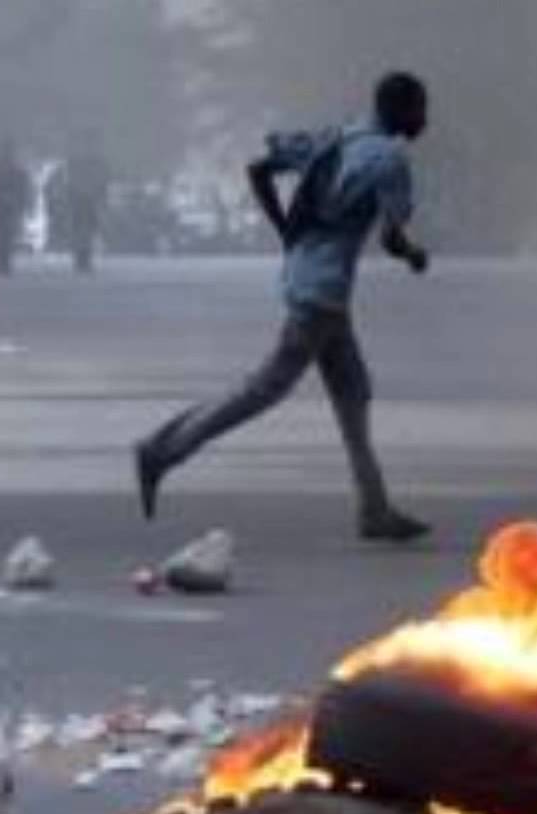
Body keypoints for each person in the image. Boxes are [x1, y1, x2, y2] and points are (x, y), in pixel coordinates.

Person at [134, 72, 434, 542]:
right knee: (265, 388)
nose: (424, 121)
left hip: (311, 282)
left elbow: (258, 170)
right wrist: (415, 255)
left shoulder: (337, 137)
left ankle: (374, 509)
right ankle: (161, 450)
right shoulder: (389, 159)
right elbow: (392, 237)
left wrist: (286, 234)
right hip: (323, 292)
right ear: (401, 109)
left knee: (353, 392)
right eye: (420, 110)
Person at [64, 134, 110, 273]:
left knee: (88, 232)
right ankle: (80, 259)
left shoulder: (96, 163)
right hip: (80, 199)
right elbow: (69, 182)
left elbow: (102, 182)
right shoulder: (76, 162)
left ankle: (85, 259)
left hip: (89, 200)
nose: (89, 146)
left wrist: (101, 197)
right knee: (81, 231)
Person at [0, 142, 32, 276]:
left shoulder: (14, 169)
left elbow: (23, 187)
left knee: (6, 234)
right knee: (4, 234)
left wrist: (23, 203)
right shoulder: (5, 168)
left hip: (6, 205)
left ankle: (4, 262)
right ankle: (3, 262)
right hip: (3, 205)